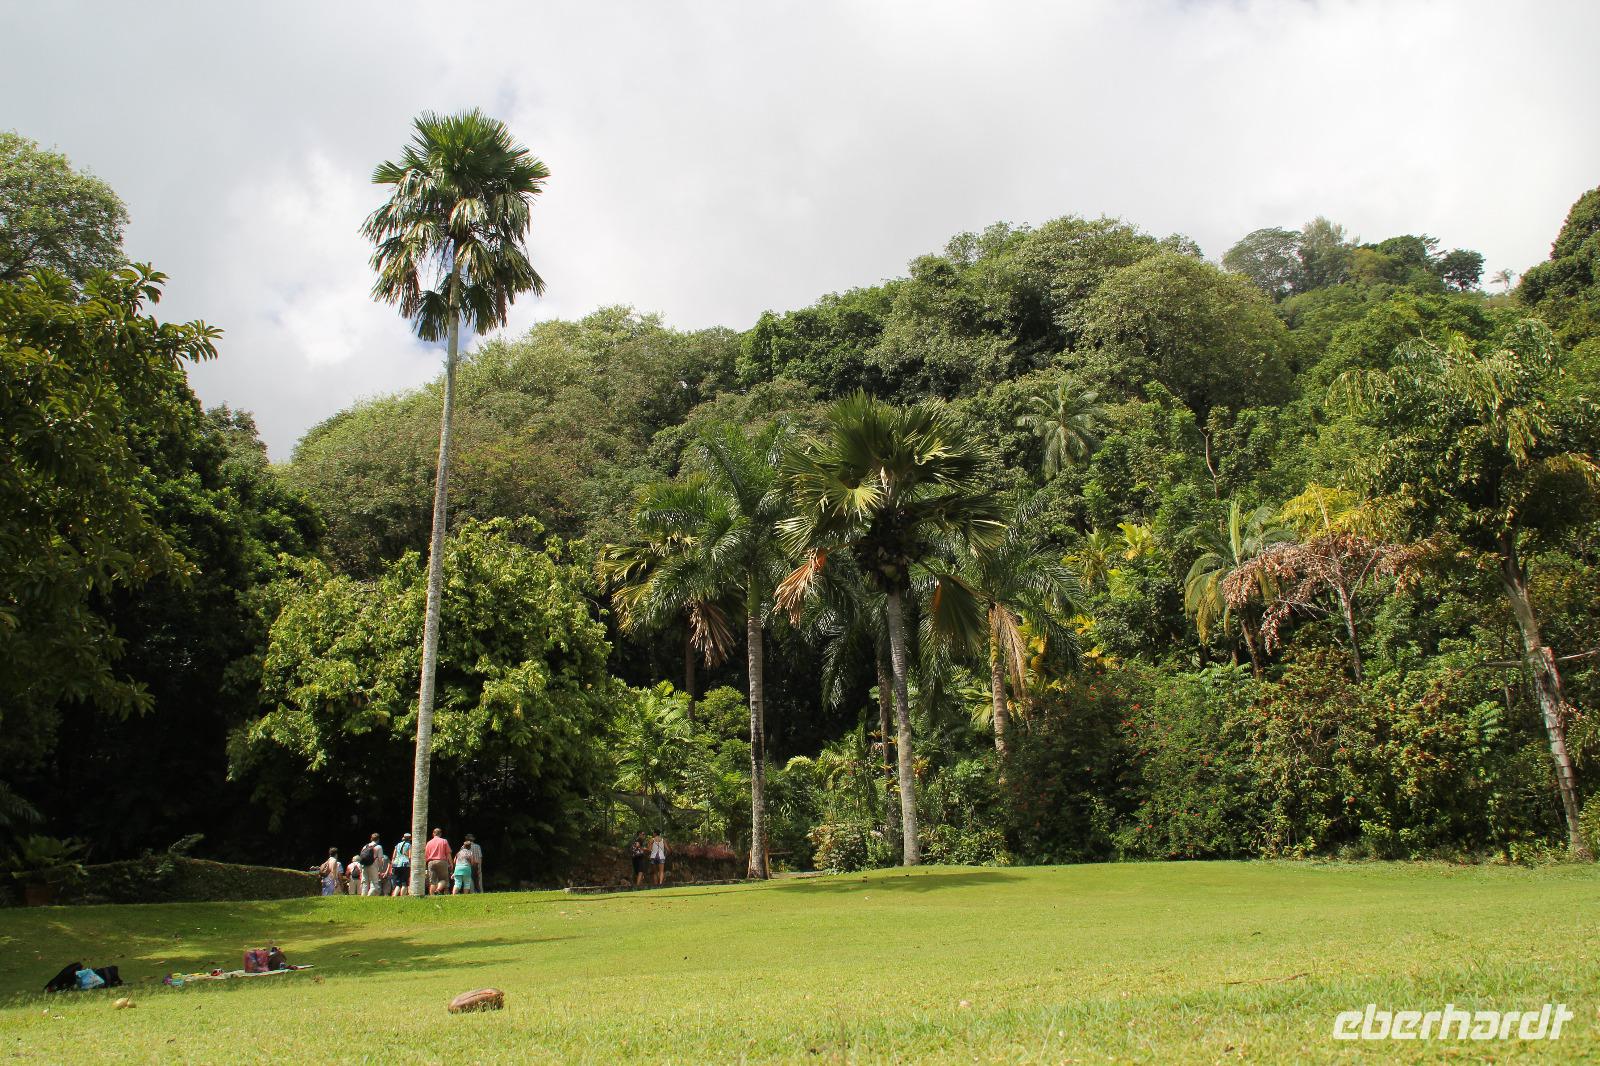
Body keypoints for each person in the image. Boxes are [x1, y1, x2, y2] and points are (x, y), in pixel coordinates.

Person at [423, 828, 452, 895]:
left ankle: (432, 896)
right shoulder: (444, 841)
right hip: (442, 861)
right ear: (440, 834)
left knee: (432, 881)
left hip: (431, 862)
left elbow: (426, 855)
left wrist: (424, 866)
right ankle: (438, 890)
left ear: (433, 834)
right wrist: (451, 863)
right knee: (444, 879)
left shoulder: (429, 843)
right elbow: (448, 853)